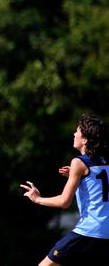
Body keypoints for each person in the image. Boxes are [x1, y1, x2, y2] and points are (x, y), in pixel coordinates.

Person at [20, 113, 109, 265]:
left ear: (85, 140)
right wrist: (77, 176)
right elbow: (98, 184)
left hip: (88, 230)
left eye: (77, 132)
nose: (74, 134)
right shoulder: (105, 161)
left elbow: (64, 202)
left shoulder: (78, 163)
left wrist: (37, 199)